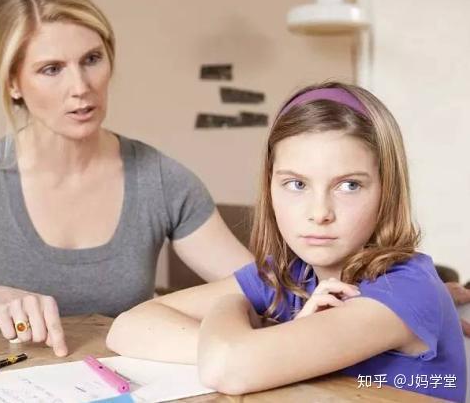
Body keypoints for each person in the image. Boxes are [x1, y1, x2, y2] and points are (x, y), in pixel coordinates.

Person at [107, 82, 467, 402]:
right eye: (297, 184)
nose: (320, 212)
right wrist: (269, 341)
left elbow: (227, 366)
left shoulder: (403, 290)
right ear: (270, 188)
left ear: (387, 192)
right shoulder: (289, 274)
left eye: (349, 185)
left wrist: (235, 308)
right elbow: (129, 326)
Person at [0, 0, 252, 357]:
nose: (81, 86)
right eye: (52, 69)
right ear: (12, 83)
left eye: (91, 59)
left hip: (128, 383)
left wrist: (161, 310)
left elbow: (260, 289)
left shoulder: (162, 180)